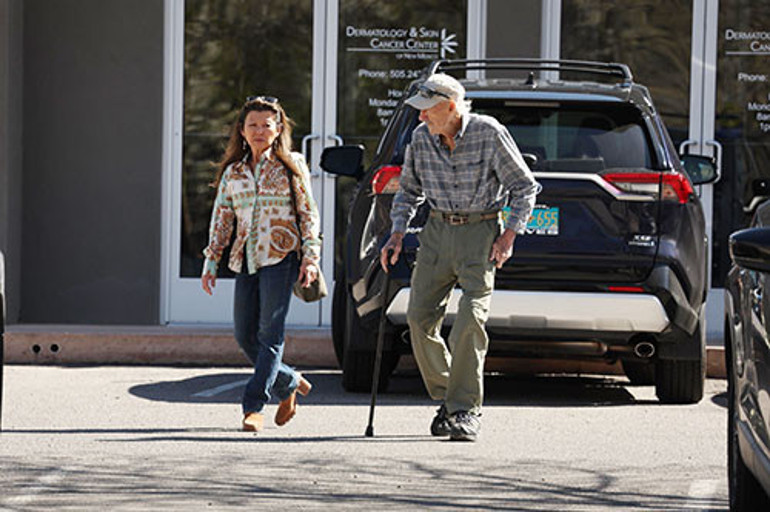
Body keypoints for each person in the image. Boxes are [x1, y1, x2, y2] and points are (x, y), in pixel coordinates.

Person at [380, 74, 539, 442]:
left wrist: (509, 235)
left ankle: (465, 410)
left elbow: (524, 187)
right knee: (419, 318)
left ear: (451, 106)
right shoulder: (421, 138)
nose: (421, 117)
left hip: (480, 233)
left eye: (427, 110)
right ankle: (452, 397)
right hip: (436, 232)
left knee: (470, 319)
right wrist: (397, 233)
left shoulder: (488, 132)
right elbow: (408, 191)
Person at [201, 96, 322, 432]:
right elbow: (222, 218)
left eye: (266, 125)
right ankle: (289, 381)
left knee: (270, 334)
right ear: (241, 130)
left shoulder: (291, 165)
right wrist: (212, 260)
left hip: (281, 256)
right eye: (252, 125)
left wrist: (311, 257)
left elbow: (308, 213)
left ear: (278, 129)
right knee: (244, 336)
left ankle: (253, 407)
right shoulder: (234, 172)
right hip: (246, 259)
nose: (259, 131)